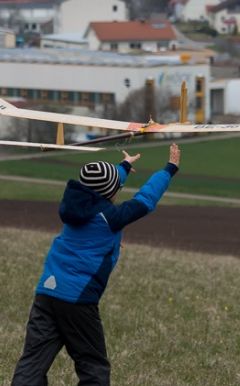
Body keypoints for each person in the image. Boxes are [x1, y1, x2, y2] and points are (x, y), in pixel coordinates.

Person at [11, 143, 181, 386]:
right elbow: (145, 200)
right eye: (117, 187)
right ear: (109, 191)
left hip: (47, 292)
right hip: (78, 300)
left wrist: (123, 167)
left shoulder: (74, 207)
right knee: (93, 366)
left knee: (33, 361)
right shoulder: (109, 218)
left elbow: (99, 186)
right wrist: (169, 169)